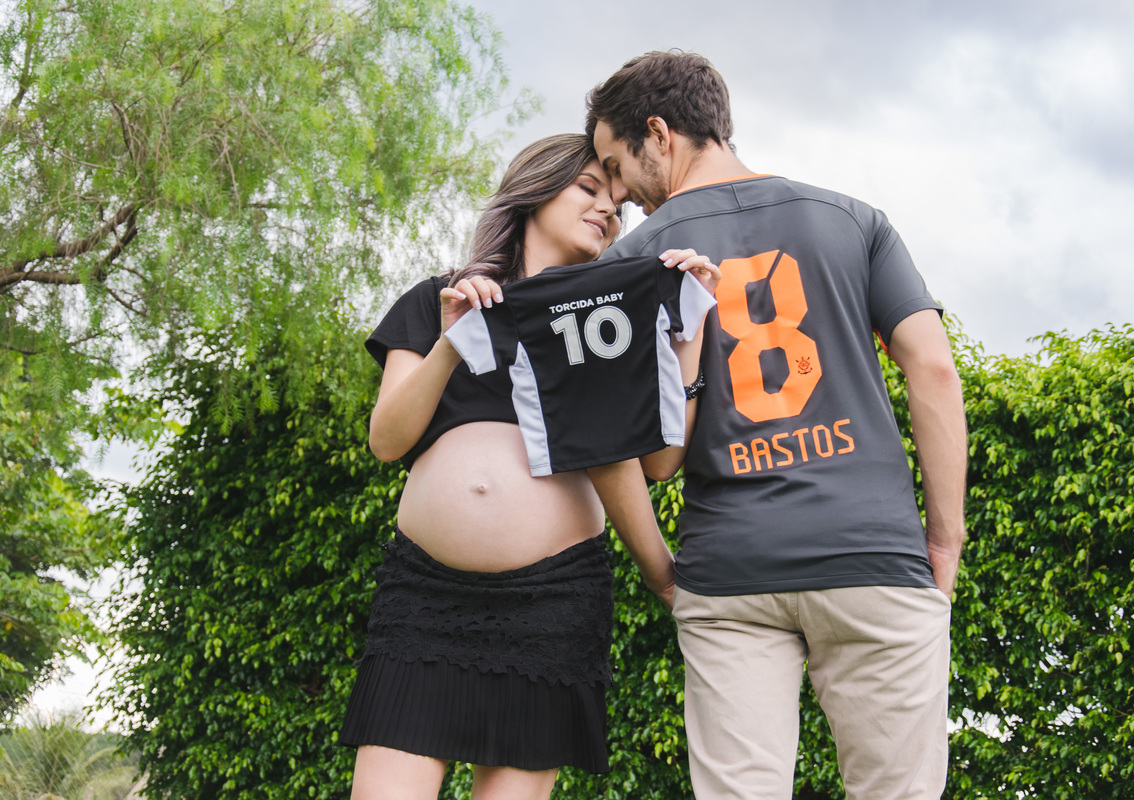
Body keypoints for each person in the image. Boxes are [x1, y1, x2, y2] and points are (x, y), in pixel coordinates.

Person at [585, 51, 968, 800]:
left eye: (616, 165)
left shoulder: (625, 265)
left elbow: (631, 451)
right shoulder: (855, 220)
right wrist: (944, 541)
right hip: (872, 555)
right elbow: (932, 369)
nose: (619, 194)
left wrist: (661, 571)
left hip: (730, 570)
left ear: (659, 134)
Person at [338, 132, 716, 800]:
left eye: (618, 204)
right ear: (535, 192)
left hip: (552, 604)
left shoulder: (609, 320)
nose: (608, 209)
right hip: (423, 597)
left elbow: (658, 462)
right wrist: (453, 343)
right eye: (589, 189)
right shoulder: (437, 298)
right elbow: (387, 440)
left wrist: (689, 329)